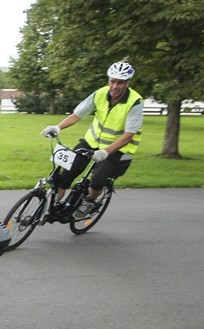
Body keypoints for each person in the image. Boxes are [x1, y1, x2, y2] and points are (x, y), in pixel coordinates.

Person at [40, 61, 143, 219]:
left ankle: (90, 201)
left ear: (127, 83)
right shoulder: (100, 94)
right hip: (91, 141)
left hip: (115, 148)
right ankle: (47, 210)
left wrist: (105, 152)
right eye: (112, 81)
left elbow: (129, 135)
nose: (115, 86)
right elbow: (77, 114)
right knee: (66, 174)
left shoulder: (135, 102)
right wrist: (58, 127)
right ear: (109, 80)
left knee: (97, 179)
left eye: (120, 82)